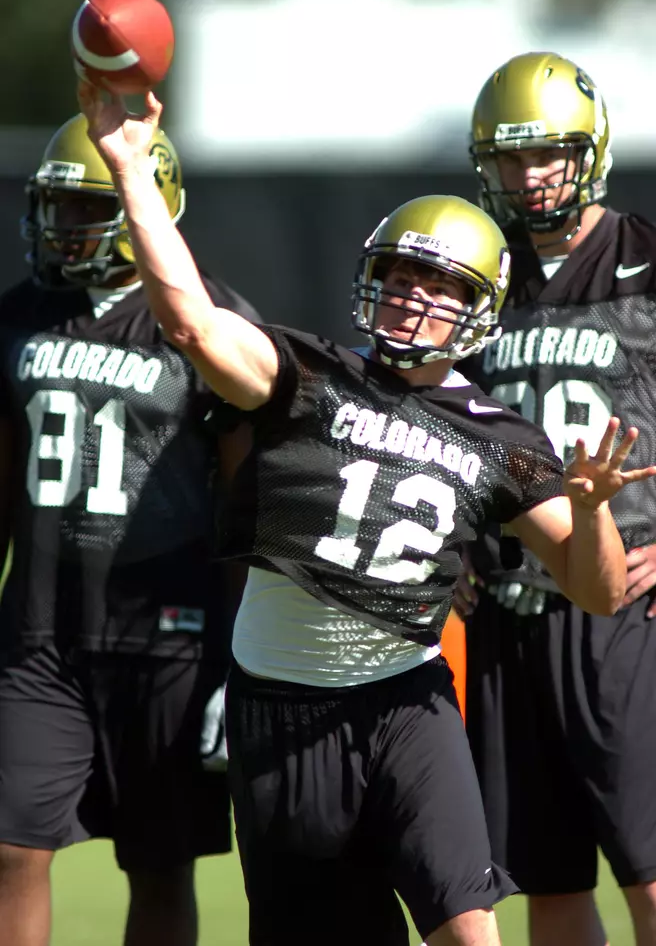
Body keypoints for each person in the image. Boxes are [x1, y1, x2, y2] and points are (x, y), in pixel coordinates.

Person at [77, 80, 656, 946]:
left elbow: (599, 590)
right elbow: (193, 324)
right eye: (398, 278)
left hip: (408, 703)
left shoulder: (502, 437)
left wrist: (593, 509)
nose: (413, 299)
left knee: (470, 930)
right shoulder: (306, 376)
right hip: (282, 710)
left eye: (440, 287)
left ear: (480, 308)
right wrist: (129, 167)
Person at [0, 113, 260, 946]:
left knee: (157, 865)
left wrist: (242, 656)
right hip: (39, 631)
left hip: (170, 636)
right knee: (10, 848)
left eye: (89, 207)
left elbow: (247, 503)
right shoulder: (20, 316)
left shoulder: (210, 319)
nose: (67, 225)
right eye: (59, 206)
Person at [463, 50, 656, 946]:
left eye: (548, 153)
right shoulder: (479, 276)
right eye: (510, 157)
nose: (530, 174)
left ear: (591, 152)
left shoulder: (645, 259)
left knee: (649, 874)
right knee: (549, 884)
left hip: (625, 611)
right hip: (509, 611)